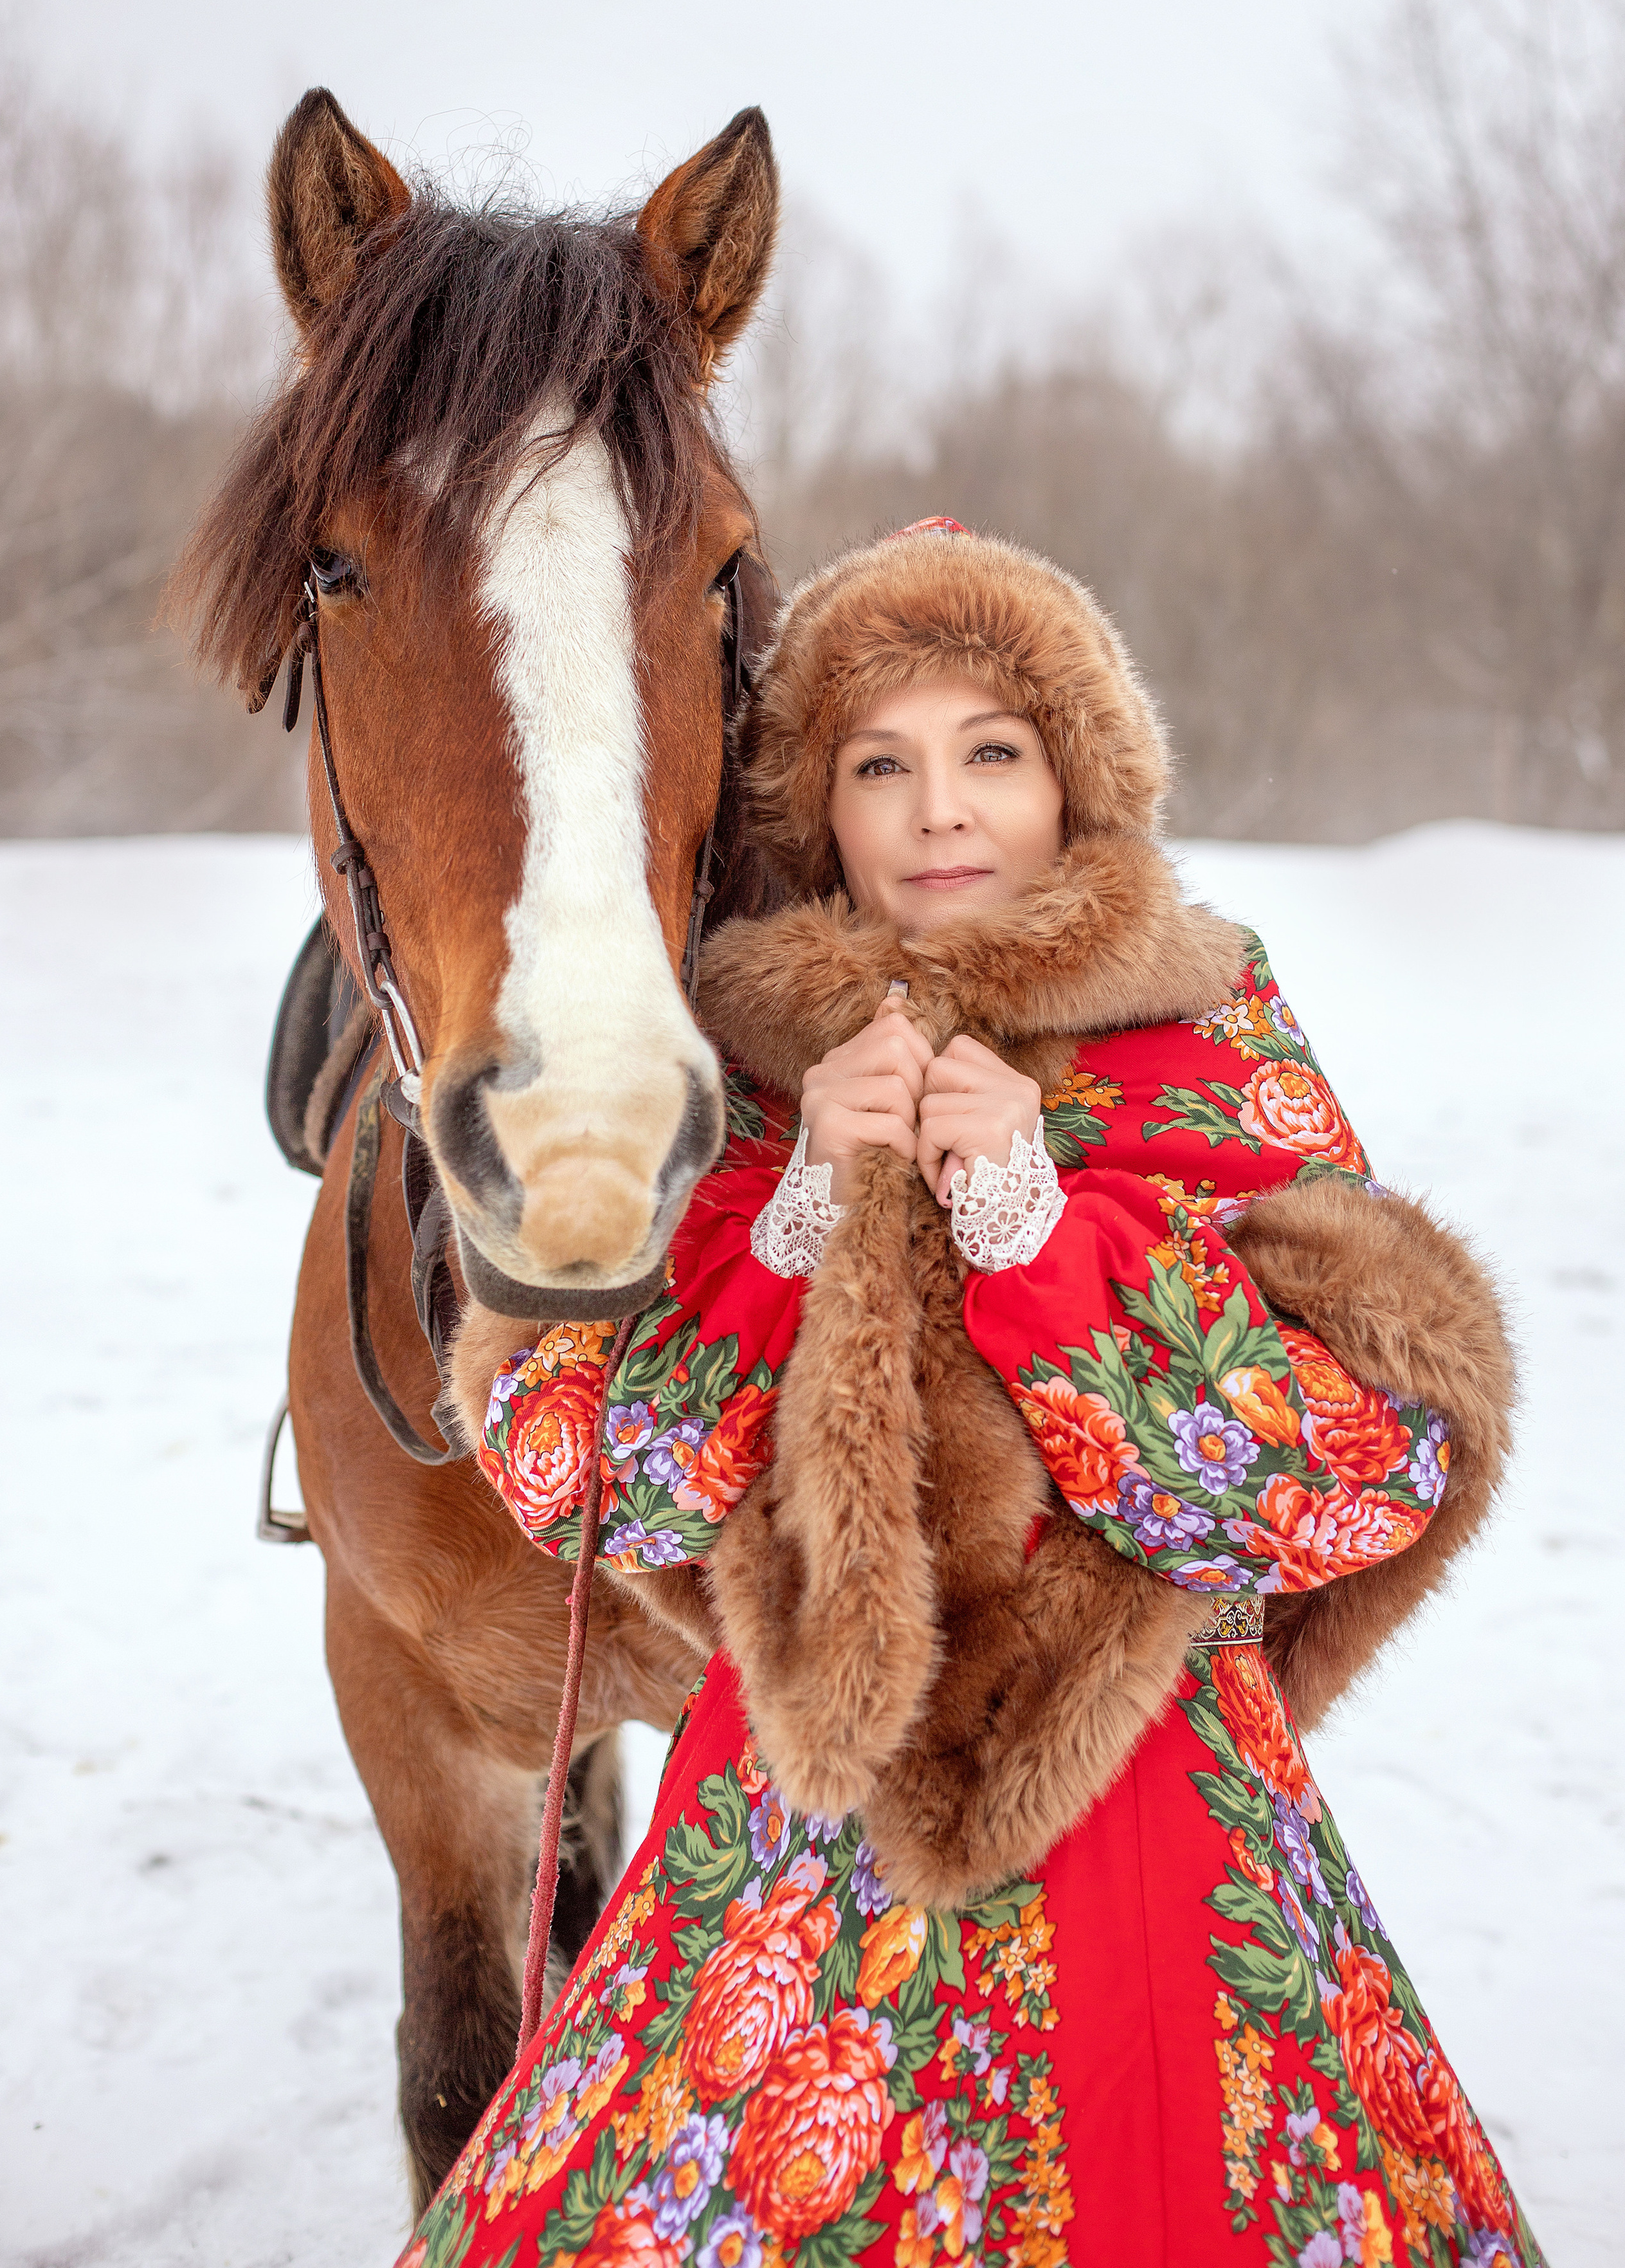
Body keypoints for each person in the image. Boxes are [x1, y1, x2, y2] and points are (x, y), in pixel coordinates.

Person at [397, 520, 1540, 2268]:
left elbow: (1353, 1477)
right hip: (788, 1837)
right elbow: (582, 1474)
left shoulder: (1200, 1037)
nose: (940, 812)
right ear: (817, 808)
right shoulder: (732, 1077)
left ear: (1077, 777)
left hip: (1144, 1808)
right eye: (881, 765)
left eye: (991, 753)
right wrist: (788, 1221)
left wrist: (1042, 1236)